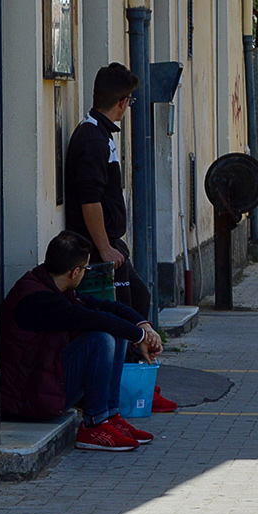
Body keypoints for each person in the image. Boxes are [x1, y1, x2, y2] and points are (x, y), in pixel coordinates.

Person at [64, 62, 177, 412]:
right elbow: (90, 199)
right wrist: (104, 248)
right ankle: (123, 391)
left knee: (138, 299)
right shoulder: (92, 139)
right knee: (124, 316)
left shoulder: (100, 134)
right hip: (99, 249)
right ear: (123, 102)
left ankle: (138, 376)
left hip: (111, 244)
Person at [0, 231, 163, 452]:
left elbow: (106, 307)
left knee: (114, 330)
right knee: (100, 339)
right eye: (86, 269)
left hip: (45, 382)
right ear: (75, 272)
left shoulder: (55, 287)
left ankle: (110, 416)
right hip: (27, 399)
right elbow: (91, 318)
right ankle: (94, 424)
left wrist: (143, 327)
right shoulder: (36, 299)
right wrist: (139, 337)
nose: (85, 274)